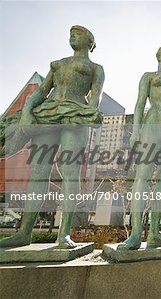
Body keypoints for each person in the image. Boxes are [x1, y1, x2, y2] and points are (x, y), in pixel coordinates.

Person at [0, 25, 104, 249]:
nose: (72, 36)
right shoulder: (58, 64)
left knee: (70, 172)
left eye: (77, 33)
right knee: (38, 172)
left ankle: (64, 233)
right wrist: (28, 111)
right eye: (70, 34)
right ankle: (24, 232)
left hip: (74, 116)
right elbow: (42, 90)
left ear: (90, 40)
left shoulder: (95, 68)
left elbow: (95, 96)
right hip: (48, 114)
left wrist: (86, 115)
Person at [119, 45, 161, 250]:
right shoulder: (148, 76)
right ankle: (136, 233)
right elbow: (139, 104)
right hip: (153, 122)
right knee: (143, 175)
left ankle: (155, 232)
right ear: (159, 56)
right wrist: (136, 131)